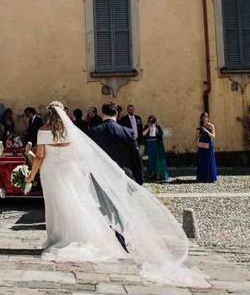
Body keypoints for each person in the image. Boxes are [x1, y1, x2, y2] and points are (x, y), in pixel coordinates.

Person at [23, 101, 196, 284]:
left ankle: (58, 238)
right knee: (75, 204)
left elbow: (40, 156)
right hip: (69, 170)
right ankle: (76, 237)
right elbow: (79, 154)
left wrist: (30, 176)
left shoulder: (43, 130)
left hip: (52, 172)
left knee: (56, 206)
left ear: (49, 114)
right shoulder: (71, 130)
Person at [88, 102, 143, 184]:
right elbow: (136, 156)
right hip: (124, 174)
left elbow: (89, 154)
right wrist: (139, 178)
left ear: (102, 114)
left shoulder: (93, 131)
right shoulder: (128, 132)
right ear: (117, 113)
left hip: (102, 175)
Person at [143, 115, 170, 182]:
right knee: (150, 160)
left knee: (156, 159)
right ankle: (151, 174)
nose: (151, 122)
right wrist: (149, 127)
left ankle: (157, 173)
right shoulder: (146, 126)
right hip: (149, 145)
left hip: (156, 145)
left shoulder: (157, 127)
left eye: (153, 120)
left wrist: (155, 126)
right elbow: (143, 134)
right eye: (150, 120)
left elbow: (160, 134)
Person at [196, 112, 217, 183]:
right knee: (202, 161)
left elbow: (213, 136)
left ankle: (210, 177)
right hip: (201, 145)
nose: (205, 118)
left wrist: (206, 131)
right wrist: (197, 135)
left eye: (206, 116)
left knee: (209, 160)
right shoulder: (200, 127)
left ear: (208, 118)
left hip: (208, 145)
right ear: (201, 118)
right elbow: (197, 137)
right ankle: (202, 177)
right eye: (203, 117)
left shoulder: (211, 126)